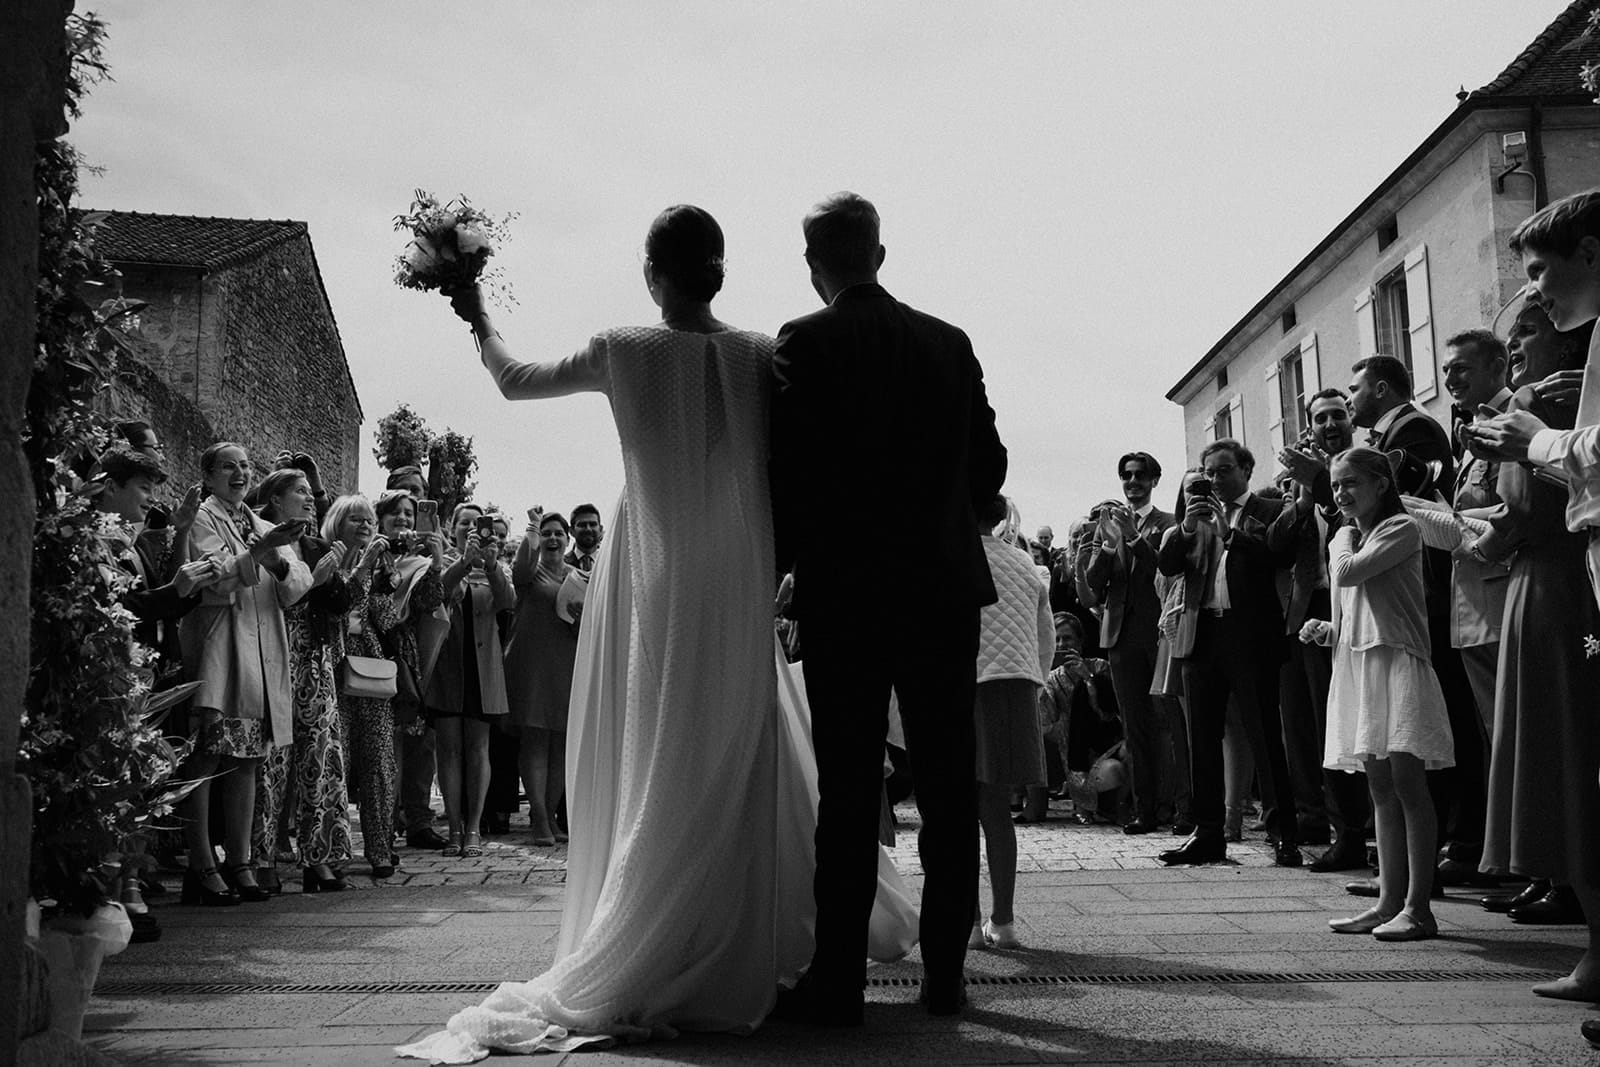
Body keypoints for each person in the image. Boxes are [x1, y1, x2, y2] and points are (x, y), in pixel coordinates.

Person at [770, 192, 1006, 1022]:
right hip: (942, 590)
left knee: (846, 789)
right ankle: (947, 972)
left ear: (815, 263)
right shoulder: (947, 342)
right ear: (880, 252)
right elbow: (991, 468)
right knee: (947, 786)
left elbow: (789, 469)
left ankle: (838, 981)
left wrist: (789, 566)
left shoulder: (806, 339)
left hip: (850, 592)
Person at [1470, 301, 1600, 985]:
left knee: (1567, 761)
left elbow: (1523, 507)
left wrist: (1483, 530)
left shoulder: (1546, 400)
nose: (1513, 341)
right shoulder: (1551, 398)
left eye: (1526, 327)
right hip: (1545, 581)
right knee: (1564, 758)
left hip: (1555, 587)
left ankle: (1597, 952)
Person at [1303, 447, 1453, 941]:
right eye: (1336, 484)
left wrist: (1339, 535)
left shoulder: (1397, 528)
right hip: (1363, 661)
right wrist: (1331, 630)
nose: (1342, 493)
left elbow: (1348, 572)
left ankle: (1419, 907)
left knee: (1410, 786)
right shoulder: (1361, 536)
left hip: (1397, 661)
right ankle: (1389, 900)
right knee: (1380, 789)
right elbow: (1362, 600)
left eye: (1351, 483)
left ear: (1380, 484)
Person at [1351, 355, 1486, 885]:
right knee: (1392, 756)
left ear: (1382, 389)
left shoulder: (1416, 429)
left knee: (1433, 738)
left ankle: (1459, 846)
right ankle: (1405, 869)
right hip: (1401, 606)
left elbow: (1410, 508)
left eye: (1356, 388)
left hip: (1422, 599)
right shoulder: (1396, 433)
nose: (1351, 397)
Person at [177, 442, 310, 905]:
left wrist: (270, 554)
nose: (239, 473)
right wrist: (258, 554)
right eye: (228, 466)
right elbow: (211, 576)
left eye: (246, 466)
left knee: (249, 758)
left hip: (260, 652)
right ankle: (201, 865)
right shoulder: (202, 518)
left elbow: (298, 585)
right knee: (207, 759)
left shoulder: (265, 526)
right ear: (209, 475)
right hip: (221, 648)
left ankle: (240, 860)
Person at [1157, 439, 1300, 867]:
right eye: (1208, 473)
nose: (1214, 480)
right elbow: (1167, 565)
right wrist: (1186, 529)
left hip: (1250, 634)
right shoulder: (1195, 517)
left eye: (1222, 471)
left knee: (1264, 736)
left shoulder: (1269, 510)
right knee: (1201, 737)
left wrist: (1230, 534)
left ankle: (1283, 835)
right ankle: (1207, 834)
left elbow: (1278, 554)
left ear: (1245, 469)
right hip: (1203, 633)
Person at [1275, 388, 1373, 871]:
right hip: (1307, 608)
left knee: (1348, 719)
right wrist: (1299, 496)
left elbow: (1356, 526)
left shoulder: (1361, 471)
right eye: (1321, 419)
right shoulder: (1299, 485)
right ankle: (1329, 823)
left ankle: (1355, 832)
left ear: (1350, 419)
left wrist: (1319, 484)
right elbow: (1277, 544)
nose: (1330, 425)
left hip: (1354, 604)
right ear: (1310, 428)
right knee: (1311, 724)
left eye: (1338, 415)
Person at [250, 468, 354, 892]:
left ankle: (320, 857)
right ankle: (261, 858)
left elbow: (342, 603)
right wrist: (316, 581)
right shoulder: (260, 538)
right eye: (300, 492)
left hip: (315, 658)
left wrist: (334, 577)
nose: (310, 499)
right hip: (274, 653)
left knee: (321, 755)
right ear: (276, 500)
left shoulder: (317, 545)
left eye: (311, 494)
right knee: (270, 760)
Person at [968, 495, 1052, 950]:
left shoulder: (947, 554)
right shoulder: (1025, 564)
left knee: (955, 811)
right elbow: (1046, 636)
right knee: (998, 812)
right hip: (1016, 681)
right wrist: (1035, 679)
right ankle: (1003, 920)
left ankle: (968, 922)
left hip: (967, 681)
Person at [1082, 451, 1176, 835]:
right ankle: (1144, 809)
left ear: (1154, 480)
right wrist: (1106, 546)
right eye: (1126, 475)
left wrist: (1135, 539)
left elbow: (1165, 569)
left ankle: (1176, 807)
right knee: (1134, 726)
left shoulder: (1169, 523)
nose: (1132, 481)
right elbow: (1093, 583)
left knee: (1165, 723)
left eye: (1140, 475)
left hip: (1157, 634)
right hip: (1119, 636)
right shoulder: (1109, 527)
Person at [423, 502, 514, 860]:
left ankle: (473, 826)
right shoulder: (441, 562)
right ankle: (455, 828)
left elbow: (507, 602)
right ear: (453, 527)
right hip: (448, 666)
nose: (472, 529)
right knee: (448, 749)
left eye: (478, 524)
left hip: (483, 667)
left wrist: (488, 564)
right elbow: (438, 594)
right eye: (464, 524)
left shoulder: (497, 568)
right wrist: (463, 561)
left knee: (478, 748)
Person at [373, 490, 449, 858]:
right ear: (380, 519)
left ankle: (419, 820)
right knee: (386, 748)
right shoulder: (370, 554)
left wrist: (434, 562)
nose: (403, 519)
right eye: (395, 513)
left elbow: (431, 603)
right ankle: (383, 825)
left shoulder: (419, 562)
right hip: (374, 654)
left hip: (411, 657)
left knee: (419, 741)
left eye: (409, 513)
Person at [503, 511, 581, 846]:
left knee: (560, 745)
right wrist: (531, 528)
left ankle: (549, 814)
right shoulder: (529, 574)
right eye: (546, 533)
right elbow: (520, 565)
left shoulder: (579, 576)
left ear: (567, 539)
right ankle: (537, 816)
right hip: (532, 666)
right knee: (535, 741)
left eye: (557, 534)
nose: (552, 539)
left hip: (566, 665)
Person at [565, 504, 602, 573]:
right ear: (571, 531)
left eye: (592, 524)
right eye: (582, 525)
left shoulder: (609, 562)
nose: (588, 529)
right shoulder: (561, 565)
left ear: (600, 529)